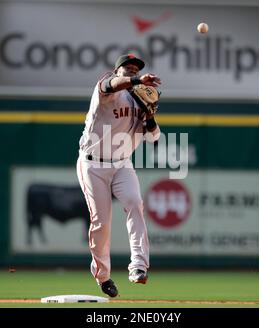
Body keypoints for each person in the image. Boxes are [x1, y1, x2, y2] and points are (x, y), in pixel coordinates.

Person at [76, 53, 161, 297]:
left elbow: (153, 137)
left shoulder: (140, 99)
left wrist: (150, 115)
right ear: (117, 70)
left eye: (136, 69)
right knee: (101, 223)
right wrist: (137, 81)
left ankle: (138, 267)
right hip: (92, 165)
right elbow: (111, 84)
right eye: (128, 67)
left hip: (122, 164)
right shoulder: (107, 88)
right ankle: (103, 276)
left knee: (135, 204)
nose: (132, 70)